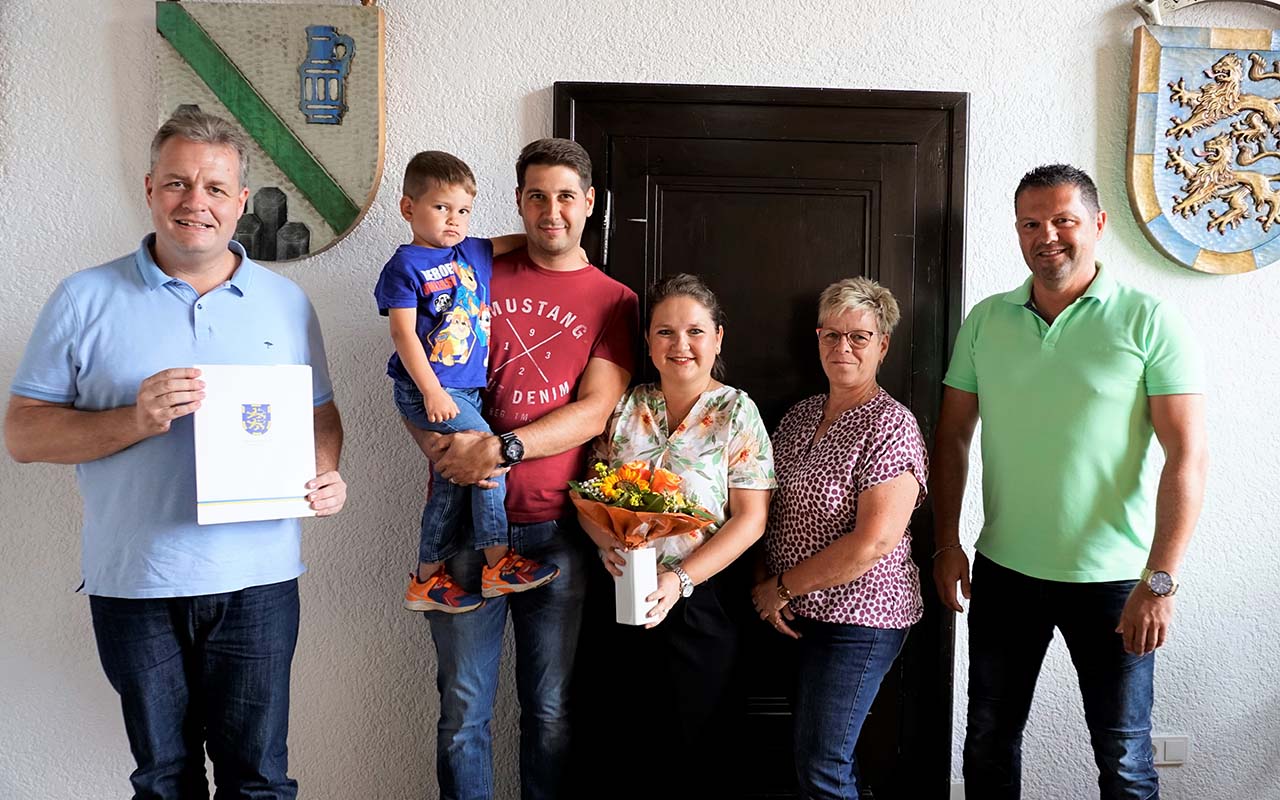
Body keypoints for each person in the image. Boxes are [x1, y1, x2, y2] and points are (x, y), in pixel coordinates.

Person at [5, 109, 347, 798]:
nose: (197, 202)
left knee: (260, 781)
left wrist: (326, 470)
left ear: (242, 202)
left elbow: (320, 415)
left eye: (216, 188)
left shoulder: (286, 303)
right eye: (178, 183)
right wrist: (134, 418)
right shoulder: (82, 297)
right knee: (164, 781)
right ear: (150, 188)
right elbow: (23, 434)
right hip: (136, 583)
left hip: (259, 582)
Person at [932, 164, 1207, 799]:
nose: (1046, 236)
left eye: (1063, 221)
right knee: (989, 741)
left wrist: (1160, 581)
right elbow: (951, 436)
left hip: (1117, 583)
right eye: (1031, 224)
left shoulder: (1149, 320)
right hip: (1004, 574)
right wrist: (947, 541)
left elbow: (1187, 456)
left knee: (1125, 757)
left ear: (1098, 225)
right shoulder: (986, 320)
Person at [416, 138, 639, 800]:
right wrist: (435, 442)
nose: (551, 212)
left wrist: (503, 448)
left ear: (590, 203)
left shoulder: (615, 300)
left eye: (566, 196)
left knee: (549, 714)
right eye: (536, 197)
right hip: (460, 530)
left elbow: (597, 409)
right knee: (463, 715)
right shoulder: (473, 269)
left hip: (556, 536)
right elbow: (417, 368)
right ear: (518, 201)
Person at [581, 273, 775, 799]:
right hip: (622, 594)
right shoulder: (625, 405)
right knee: (624, 747)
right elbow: (587, 495)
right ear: (648, 342)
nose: (680, 345)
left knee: (699, 750)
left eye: (694, 331)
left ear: (717, 338)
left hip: (703, 605)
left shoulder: (737, 413)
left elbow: (750, 519)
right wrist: (607, 545)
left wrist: (680, 579)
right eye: (665, 332)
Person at [751, 277, 928, 800]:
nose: (842, 347)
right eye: (832, 335)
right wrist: (768, 584)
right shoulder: (799, 416)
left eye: (859, 336)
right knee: (806, 758)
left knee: (823, 765)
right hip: (794, 614)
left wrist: (780, 588)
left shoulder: (892, 425)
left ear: (883, 345)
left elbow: (873, 542)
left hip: (860, 619)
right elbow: (767, 505)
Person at [374, 150, 559, 614]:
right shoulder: (405, 266)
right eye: (441, 208)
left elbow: (515, 241)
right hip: (430, 390)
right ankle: (499, 561)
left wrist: (553, 236)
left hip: (465, 390)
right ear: (408, 208)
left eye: (463, 210)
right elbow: (402, 333)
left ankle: (425, 578)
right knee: (488, 460)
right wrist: (432, 391)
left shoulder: (471, 251)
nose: (454, 219)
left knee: (452, 482)